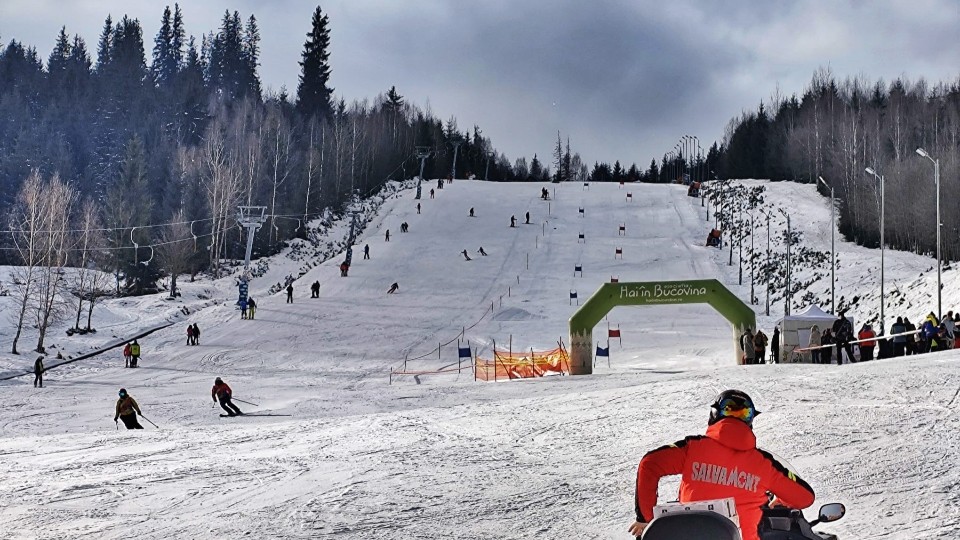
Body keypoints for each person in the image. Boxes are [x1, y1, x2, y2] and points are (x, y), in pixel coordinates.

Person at [629, 390, 815, 540]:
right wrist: (780, 500)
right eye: (731, 410)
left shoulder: (693, 449)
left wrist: (646, 519)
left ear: (714, 415)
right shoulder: (763, 463)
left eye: (742, 412)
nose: (736, 415)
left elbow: (650, 464)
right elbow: (805, 497)